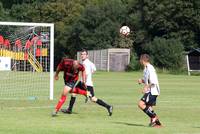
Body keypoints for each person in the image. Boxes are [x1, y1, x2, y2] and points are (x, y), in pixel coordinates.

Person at [61, 49, 113, 116]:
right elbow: (94, 69)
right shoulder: (89, 63)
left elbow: (86, 73)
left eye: (84, 54)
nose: (82, 55)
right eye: (82, 54)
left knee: (93, 99)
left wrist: (84, 82)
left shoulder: (85, 64)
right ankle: (69, 110)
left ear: (87, 55)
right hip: (82, 82)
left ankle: (108, 107)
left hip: (86, 84)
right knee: (73, 92)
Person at [137, 54, 162, 127]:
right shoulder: (145, 68)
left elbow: (153, 81)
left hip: (153, 90)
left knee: (140, 104)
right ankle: (158, 124)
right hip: (150, 90)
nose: (139, 61)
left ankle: (154, 117)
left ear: (142, 60)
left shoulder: (150, 68)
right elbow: (147, 80)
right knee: (149, 107)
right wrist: (142, 81)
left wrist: (146, 87)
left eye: (140, 59)